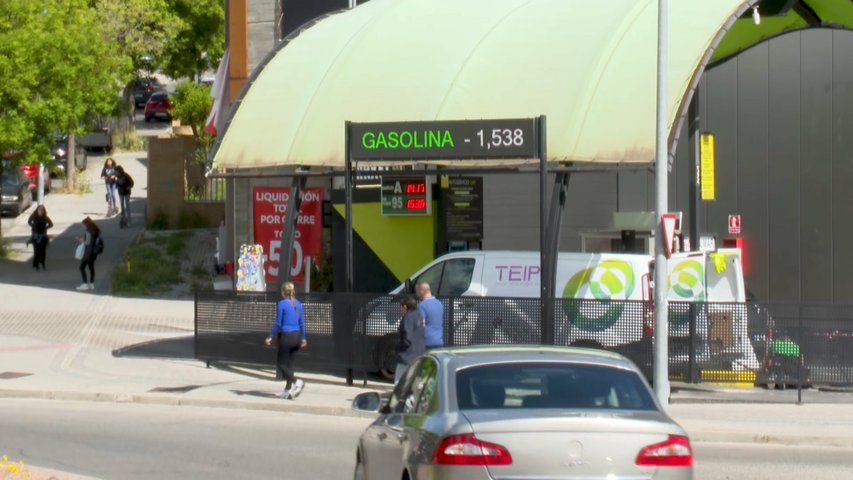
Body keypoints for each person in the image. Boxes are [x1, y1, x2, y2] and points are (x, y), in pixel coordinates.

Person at [265, 282, 307, 399]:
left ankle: (297, 381)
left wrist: (270, 336)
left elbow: (278, 323)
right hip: (297, 336)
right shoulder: (298, 304)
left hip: (287, 336)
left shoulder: (282, 304)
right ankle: (287, 391)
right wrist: (303, 338)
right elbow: (302, 323)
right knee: (289, 365)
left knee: (281, 364)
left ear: (283, 292)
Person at [395, 295, 425, 384]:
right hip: (419, 353)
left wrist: (398, 348)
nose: (400, 309)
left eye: (401, 306)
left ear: (405, 306)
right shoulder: (419, 315)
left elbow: (407, 338)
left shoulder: (407, 318)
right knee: (414, 382)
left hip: (407, 355)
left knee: (399, 382)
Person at [416, 282, 444, 349]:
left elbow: (421, 324)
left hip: (426, 342)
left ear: (422, 291)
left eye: (417, 292)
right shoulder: (439, 303)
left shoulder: (421, 305)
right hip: (439, 340)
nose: (416, 294)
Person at [76, 216, 100, 291]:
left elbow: (88, 242)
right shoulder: (95, 230)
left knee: (81, 267)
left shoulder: (88, 231)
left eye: (83, 225)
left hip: (88, 253)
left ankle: (84, 284)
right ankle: (91, 284)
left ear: (86, 224)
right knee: (91, 268)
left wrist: (81, 240)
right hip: (93, 253)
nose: (82, 226)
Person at [27, 205, 53, 271]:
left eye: (42, 210)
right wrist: (32, 226)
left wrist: (46, 228)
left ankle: (43, 263)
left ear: (44, 211)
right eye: (39, 209)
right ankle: (36, 265)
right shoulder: (33, 216)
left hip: (43, 236)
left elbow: (51, 224)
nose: (41, 211)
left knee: (42, 251)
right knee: (36, 251)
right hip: (35, 236)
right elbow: (29, 222)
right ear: (37, 210)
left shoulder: (45, 218)